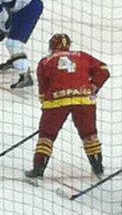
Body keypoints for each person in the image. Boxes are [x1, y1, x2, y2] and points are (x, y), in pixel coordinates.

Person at [25, 34, 110, 181]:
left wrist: (45, 108)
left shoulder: (45, 62)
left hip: (56, 101)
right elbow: (104, 70)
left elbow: (43, 89)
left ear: (51, 46)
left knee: (47, 135)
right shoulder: (82, 55)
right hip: (84, 99)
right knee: (89, 134)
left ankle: (38, 169)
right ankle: (98, 167)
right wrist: (93, 87)